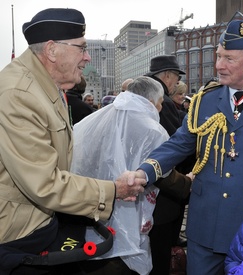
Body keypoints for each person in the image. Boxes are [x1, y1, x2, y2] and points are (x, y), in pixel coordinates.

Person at [0, 8, 145, 274]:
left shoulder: (44, 86)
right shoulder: (19, 94)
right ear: (53, 50)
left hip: (38, 224)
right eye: (82, 48)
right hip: (17, 236)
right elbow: (43, 183)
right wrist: (113, 190)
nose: (87, 57)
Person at [128, 20, 243, 275]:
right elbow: (179, 143)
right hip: (205, 229)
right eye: (218, 56)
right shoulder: (205, 101)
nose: (218, 65)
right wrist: (145, 171)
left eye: (229, 58)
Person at [71, 76, 193, 274]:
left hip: (96, 203)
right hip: (132, 206)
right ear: (152, 101)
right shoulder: (152, 129)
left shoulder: (98, 118)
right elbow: (162, 173)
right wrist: (187, 183)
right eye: (161, 103)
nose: (161, 108)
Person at [145, 55, 195, 275]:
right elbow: (175, 144)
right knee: (160, 251)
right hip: (164, 191)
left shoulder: (140, 93)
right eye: (176, 77)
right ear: (166, 76)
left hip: (149, 189)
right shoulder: (162, 101)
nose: (176, 82)